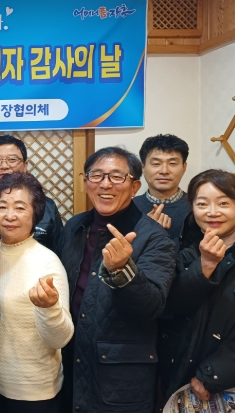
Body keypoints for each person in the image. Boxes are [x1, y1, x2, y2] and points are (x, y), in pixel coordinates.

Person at [59, 146, 176, 413]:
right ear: (86, 182)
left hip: (121, 376)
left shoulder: (154, 238)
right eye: (96, 175)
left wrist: (123, 270)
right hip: (71, 362)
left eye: (116, 176)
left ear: (135, 187)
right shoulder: (75, 227)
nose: (105, 184)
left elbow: (152, 307)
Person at [0, 172, 73, 413]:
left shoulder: (47, 262)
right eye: (2, 206)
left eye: (20, 208)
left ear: (35, 214)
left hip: (34, 392)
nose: (10, 215)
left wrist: (49, 308)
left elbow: (60, 339)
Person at [159, 170, 235, 404]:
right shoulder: (183, 251)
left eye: (223, 203)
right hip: (179, 381)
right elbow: (172, 307)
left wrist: (213, 374)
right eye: (202, 204)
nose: (212, 212)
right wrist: (206, 265)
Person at [135, 134, 191, 250]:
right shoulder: (129, 207)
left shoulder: (197, 207)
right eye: (156, 164)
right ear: (143, 167)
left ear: (184, 167)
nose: (164, 171)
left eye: (172, 164)